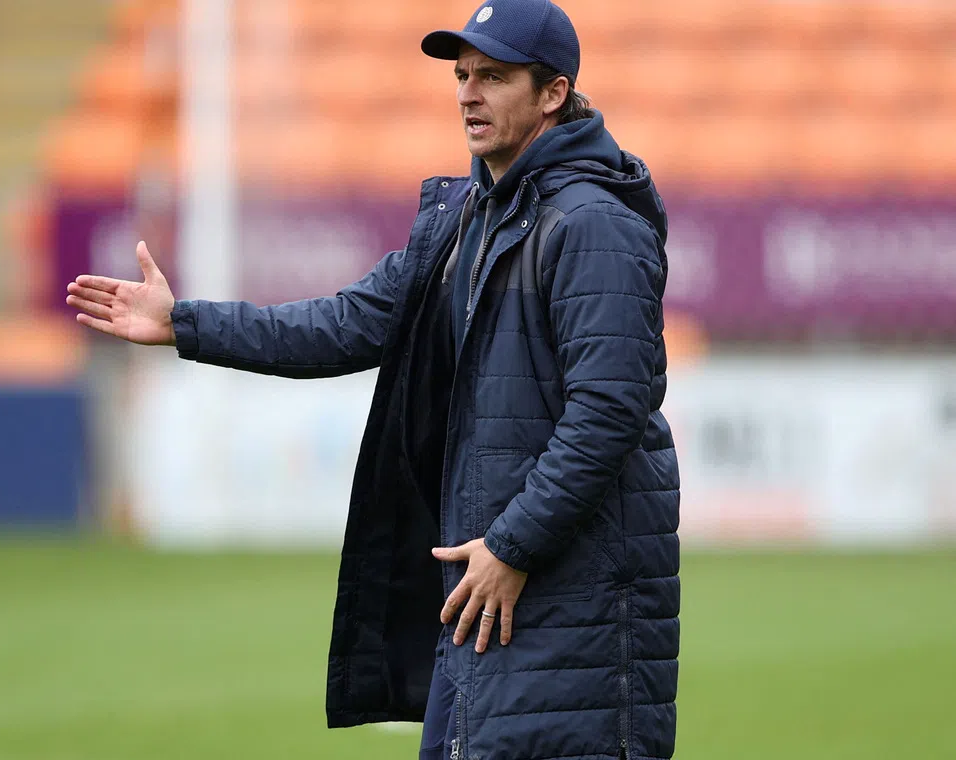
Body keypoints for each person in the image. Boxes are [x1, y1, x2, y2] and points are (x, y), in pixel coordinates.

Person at [67, 1, 680, 757]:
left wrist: (514, 545)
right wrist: (185, 324)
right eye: (461, 76)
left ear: (553, 92)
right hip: (489, 596)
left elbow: (610, 413)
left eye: (492, 76)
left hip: (569, 607)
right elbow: (345, 324)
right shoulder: (469, 220)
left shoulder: (593, 223)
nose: (467, 93)